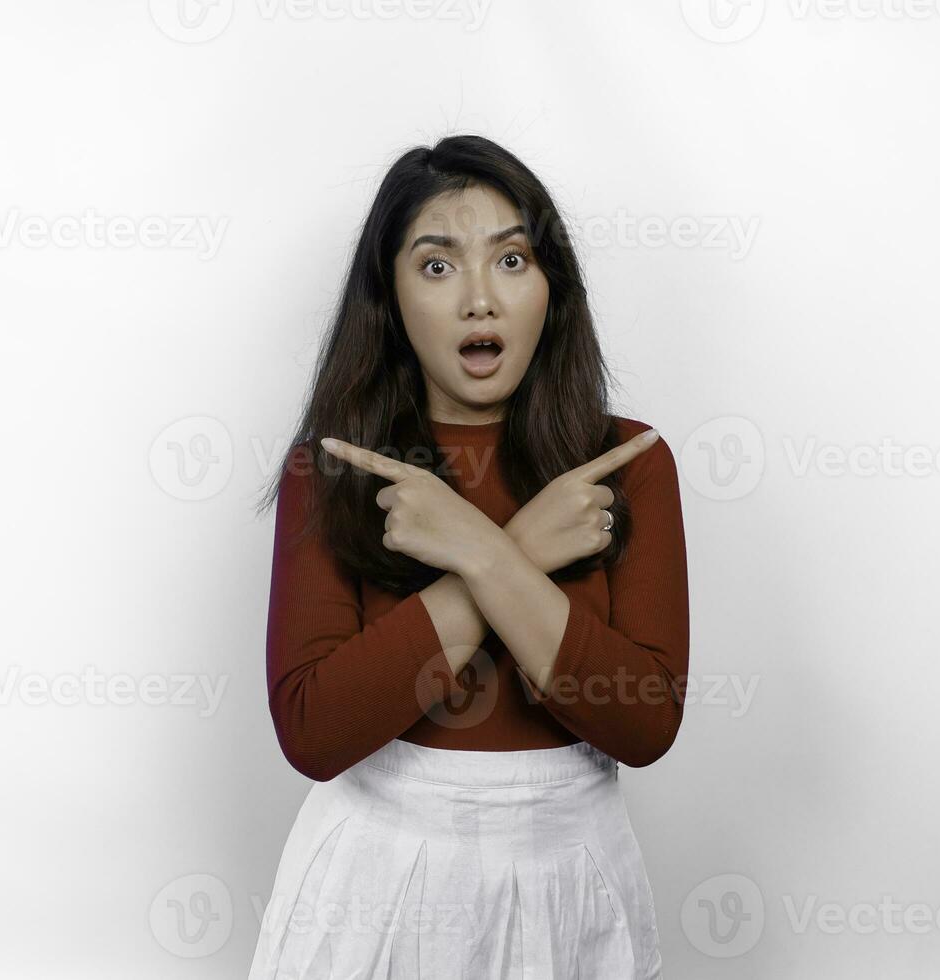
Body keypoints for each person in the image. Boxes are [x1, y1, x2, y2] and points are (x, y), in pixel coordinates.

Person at [248, 134, 689, 979]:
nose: (479, 300)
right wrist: (511, 553)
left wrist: (480, 554)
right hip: (374, 881)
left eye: (512, 260)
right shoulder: (334, 465)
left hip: (574, 881)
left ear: (553, 290)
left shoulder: (628, 464)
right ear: (391, 296)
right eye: (439, 266)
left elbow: (644, 724)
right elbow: (314, 731)